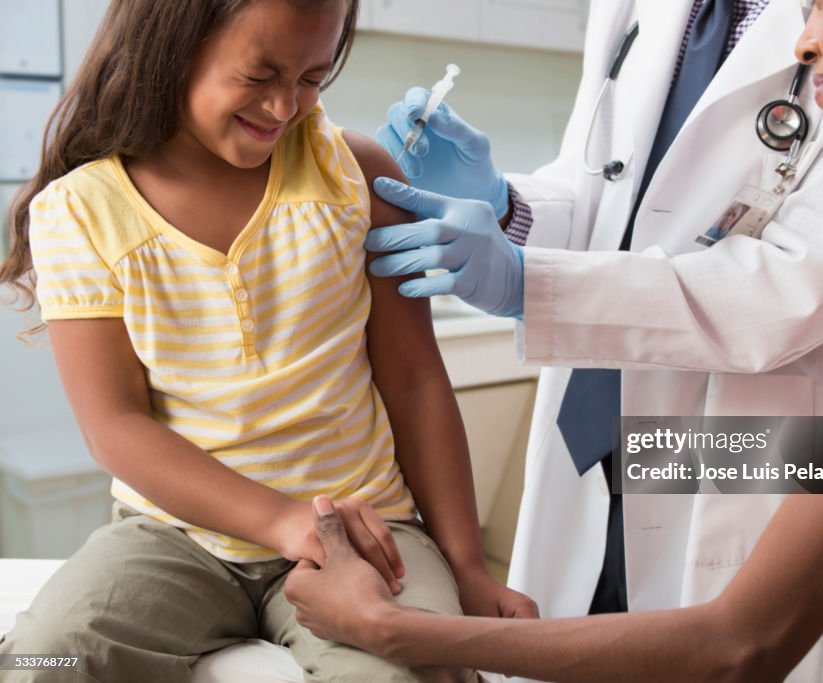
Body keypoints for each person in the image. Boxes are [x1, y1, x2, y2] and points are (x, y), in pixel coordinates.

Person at [285, 0, 823, 679]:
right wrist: (509, 213)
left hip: (742, 449)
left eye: (822, 3)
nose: (807, 37)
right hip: (634, 442)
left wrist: (393, 629)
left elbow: (742, 641)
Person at [0, 0, 534, 680]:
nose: (286, 107)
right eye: (260, 75)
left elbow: (415, 380)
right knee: (45, 656)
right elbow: (115, 424)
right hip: (175, 536)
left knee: (411, 670)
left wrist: (464, 566)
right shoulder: (78, 210)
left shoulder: (357, 175)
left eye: (313, 77)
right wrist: (283, 520)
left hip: (366, 529)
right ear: (174, 48)